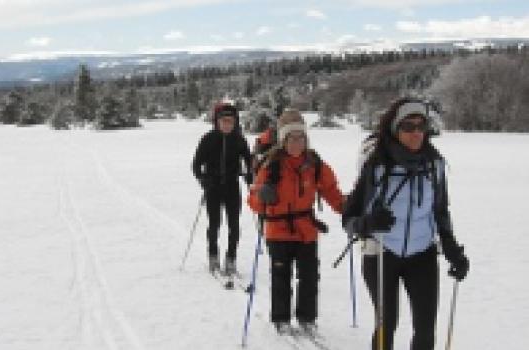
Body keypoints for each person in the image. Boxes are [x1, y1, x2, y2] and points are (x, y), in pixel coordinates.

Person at [342, 97, 470, 350]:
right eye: (408, 127)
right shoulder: (376, 165)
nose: (416, 133)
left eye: (421, 126)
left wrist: (452, 249)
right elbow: (349, 218)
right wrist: (367, 224)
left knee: (425, 328)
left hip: (422, 253)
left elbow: (441, 211)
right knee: (386, 324)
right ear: (394, 128)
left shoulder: (434, 165)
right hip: (381, 252)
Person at [247, 109, 345, 334]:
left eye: (301, 137)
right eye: (292, 138)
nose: (297, 142)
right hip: (277, 229)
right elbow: (253, 200)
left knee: (309, 276)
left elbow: (330, 190)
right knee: (281, 277)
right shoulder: (270, 165)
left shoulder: (314, 163)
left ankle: (307, 317)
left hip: (306, 230)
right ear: (283, 139)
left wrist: (346, 208)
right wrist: (261, 196)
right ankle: (281, 318)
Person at [192, 102, 253, 274]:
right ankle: (213, 255)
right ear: (217, 122)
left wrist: (250, 175)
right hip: (213, 187)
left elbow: (249, 162)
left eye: (230, 121)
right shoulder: (208, 139)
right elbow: (196, 164)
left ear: (235, 122)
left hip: (232, 187)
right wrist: (203, 179)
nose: (227, 124)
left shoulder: (239, 140)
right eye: (224, 121)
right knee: (214, 224)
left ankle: (231, 258)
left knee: (234, 225)